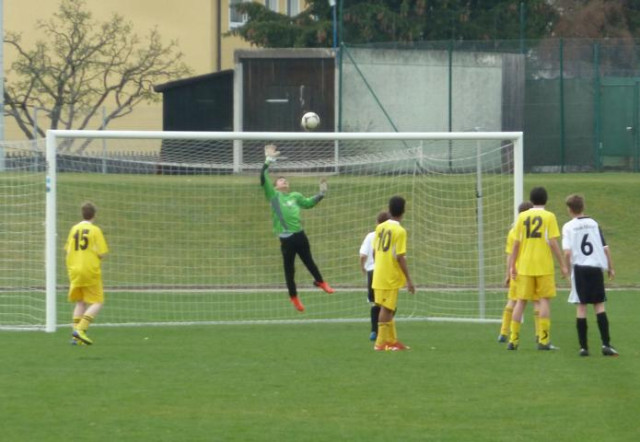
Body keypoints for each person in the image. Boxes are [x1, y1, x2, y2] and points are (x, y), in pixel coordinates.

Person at [260, 144, 334, 312]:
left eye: (285, 179)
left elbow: (308, 204)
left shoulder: (295, 196)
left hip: (300, 235)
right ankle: (294, 297)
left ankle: (321, 282)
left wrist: (320, 194)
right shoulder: (273, 195)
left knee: (309, 261)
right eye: (280, 180)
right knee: (289, 269)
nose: (284, 180)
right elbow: (262, 178)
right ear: (276, 186)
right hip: (286, 239)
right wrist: (268, 160)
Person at [507, 187, 568, 351]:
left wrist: (513, 265)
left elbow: (516, 243)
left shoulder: (522, 216)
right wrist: (562, 264)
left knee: (520, 301)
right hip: (543, 266)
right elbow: (553, 242)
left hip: (525, 265)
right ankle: (543, 340)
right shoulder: (549, 216)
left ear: (531, 200)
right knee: (544, 301)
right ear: (546, 200)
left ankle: (513, 340)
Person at [562, 194, 618, 357]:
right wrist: (610, 267)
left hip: (580, 269)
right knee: (599, 306)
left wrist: (565, 267)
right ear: (583, 207)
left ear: (569, 209)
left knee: (581, 307)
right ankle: (606, 344)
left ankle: (584, 348)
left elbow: (567, 252)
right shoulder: (593, 223)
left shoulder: (568, 227)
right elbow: (605, 248)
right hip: (595, 268)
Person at [372, 196, 415, 351]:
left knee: (387, 307)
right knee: (387, 308)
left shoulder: (380, 227)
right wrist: (409, 280)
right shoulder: (400, 231)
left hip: (379, 272)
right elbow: (400, 257)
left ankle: (391, 341)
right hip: (390, 275)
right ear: (403, 211)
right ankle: (380, 343)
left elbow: (374, 251)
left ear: (389, 209)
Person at [65, 202, 109, 345]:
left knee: (80, 302)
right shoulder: (95, 230)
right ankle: (80, 330)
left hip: (74, 270)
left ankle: (75, 338)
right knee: (97, 302)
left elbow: (68, 250)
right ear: (94, 215)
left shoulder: (74, 229)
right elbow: (102, 253)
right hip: (89, 270)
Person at [498, 200, 535, 343]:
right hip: (530, 269)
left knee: (512, 301)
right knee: (538, 301)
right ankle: (540, 336)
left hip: (516, 271)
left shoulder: (513, 231)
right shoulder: (530, 231)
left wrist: (508, 273)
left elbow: (509, 255)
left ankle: (503, 332)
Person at [359, 211, 391, 341]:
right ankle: (385, 329)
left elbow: (362, 255)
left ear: (377, 223)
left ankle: (374, 331)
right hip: (386, 272)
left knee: (375, 304)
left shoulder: (371, 236)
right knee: (388, 303)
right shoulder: (391, 235)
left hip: (372, 272)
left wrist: (362, 267)